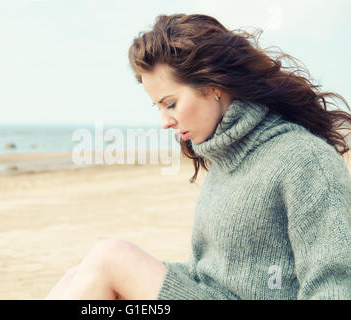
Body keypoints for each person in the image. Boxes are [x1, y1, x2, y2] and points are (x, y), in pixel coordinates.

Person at [46, 13, 351, 300]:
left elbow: (336, 284)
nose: (165, 121)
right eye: (159, 107)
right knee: (81, 274)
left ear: (213, 88)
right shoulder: (225, 161)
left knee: (111, 257)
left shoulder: (305, 160)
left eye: (171, 103)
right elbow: (205, 275)